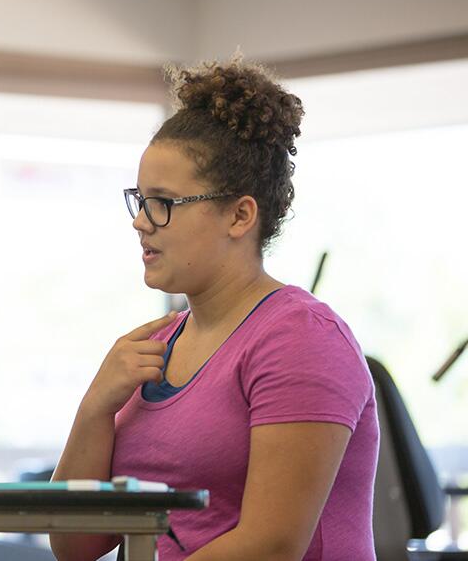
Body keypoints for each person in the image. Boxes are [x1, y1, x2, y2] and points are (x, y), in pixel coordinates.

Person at [50, 59, 378, 560]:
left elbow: (271, 545)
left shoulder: (301, 338)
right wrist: (96, 407)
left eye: (162, 202)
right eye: (139, 199)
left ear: (240, 215)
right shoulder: (153, 347)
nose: (141, 221)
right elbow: (76, 543)